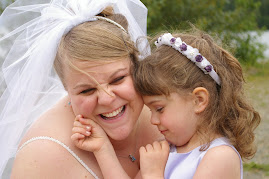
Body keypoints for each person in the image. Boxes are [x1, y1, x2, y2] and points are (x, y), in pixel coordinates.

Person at [0, 0, 163, 178]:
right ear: (67, 89)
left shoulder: (168, 108)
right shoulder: (42, 157)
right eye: (86, 91)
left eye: (117, 79)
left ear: (136, 66)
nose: (107, 98)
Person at [72, 30, 261, 179]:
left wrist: (153, 174)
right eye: (151, 110)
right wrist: (102, 148)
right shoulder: (166, 149)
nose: (153, 120)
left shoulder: (219, 157)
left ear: (199, 100)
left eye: (159, 108)